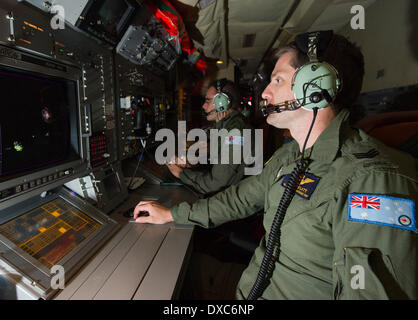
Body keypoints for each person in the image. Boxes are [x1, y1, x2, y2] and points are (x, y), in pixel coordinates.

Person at [133, 31, 417, 299]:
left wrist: (183, 175)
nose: (265, 93)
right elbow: (238, 198)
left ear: (315, 87)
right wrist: (173, 214)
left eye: (277, 80)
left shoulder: (374, 180)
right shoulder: (290, 155)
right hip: (254, 282)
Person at [166, 79, 255, 195]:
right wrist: (192, 163)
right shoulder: (226, 126)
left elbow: (215, 184)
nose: (203, 106)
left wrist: (181, 174)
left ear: (222, 102)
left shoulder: (236, 132)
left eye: (208, 100)